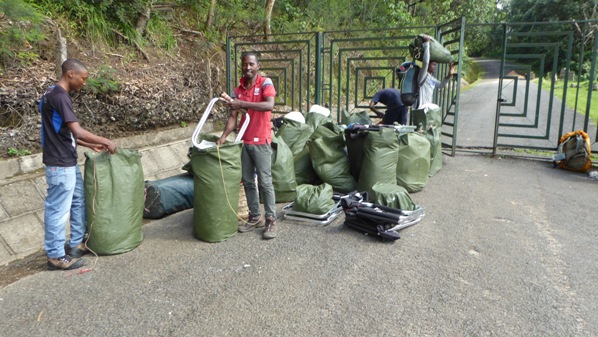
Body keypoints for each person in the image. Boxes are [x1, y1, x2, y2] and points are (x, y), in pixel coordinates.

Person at [39, 59, 117, 270]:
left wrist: (89, 145)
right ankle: (55, 256)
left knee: (77, 201)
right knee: (58, 210)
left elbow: (61, 132)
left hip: (66, 159)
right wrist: (105, 141)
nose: (84, 82)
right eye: (83, 78)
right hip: (60, 163)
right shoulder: (61, 97)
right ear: (70, 74)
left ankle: (75, 244)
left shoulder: (49, 93)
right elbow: (77, 130)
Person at [217, 52, 278, 240]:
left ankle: (271, 220)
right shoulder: (238, 90)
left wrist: (242, 103)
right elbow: (233, 118)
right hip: (245, 141)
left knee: (265, 182)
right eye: (244, 64)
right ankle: (255, 216)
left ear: (258, 66)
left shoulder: (265, 83)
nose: (248, 68)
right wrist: (223, 137)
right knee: (248, 180)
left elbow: (269, 105)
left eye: (251, 64)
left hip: (262, 140)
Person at [417, 35, 455, 109]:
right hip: (421, 109)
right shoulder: (422, 75)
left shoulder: (431, 78)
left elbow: (441, 85)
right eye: (433, 65)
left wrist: (449, 75)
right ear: (428, 66)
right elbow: (426, 62)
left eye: (436, 65)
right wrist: (426, 44)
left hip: (428, 109)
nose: (435, 67)